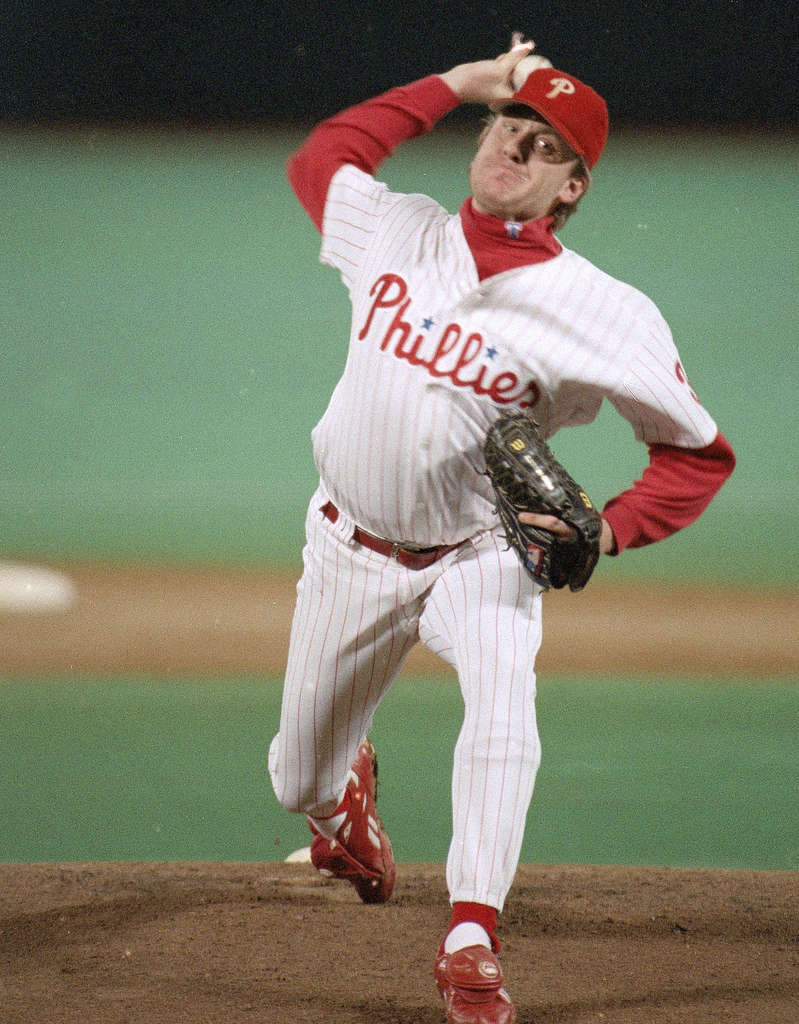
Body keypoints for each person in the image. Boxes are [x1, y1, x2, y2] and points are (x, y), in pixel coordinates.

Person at [268, 38, 735, 1024]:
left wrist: (604, 532)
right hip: (347, 546)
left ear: (570, 186)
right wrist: (459, 82)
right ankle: (340, 800)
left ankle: (470, 936)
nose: (512, 147)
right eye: (506, 127)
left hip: (483, 549)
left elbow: (695, 455)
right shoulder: (394, 229)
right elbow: (322, 157)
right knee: (292, 775)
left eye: (542, 146)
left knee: (504, 705)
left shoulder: (604, 312)